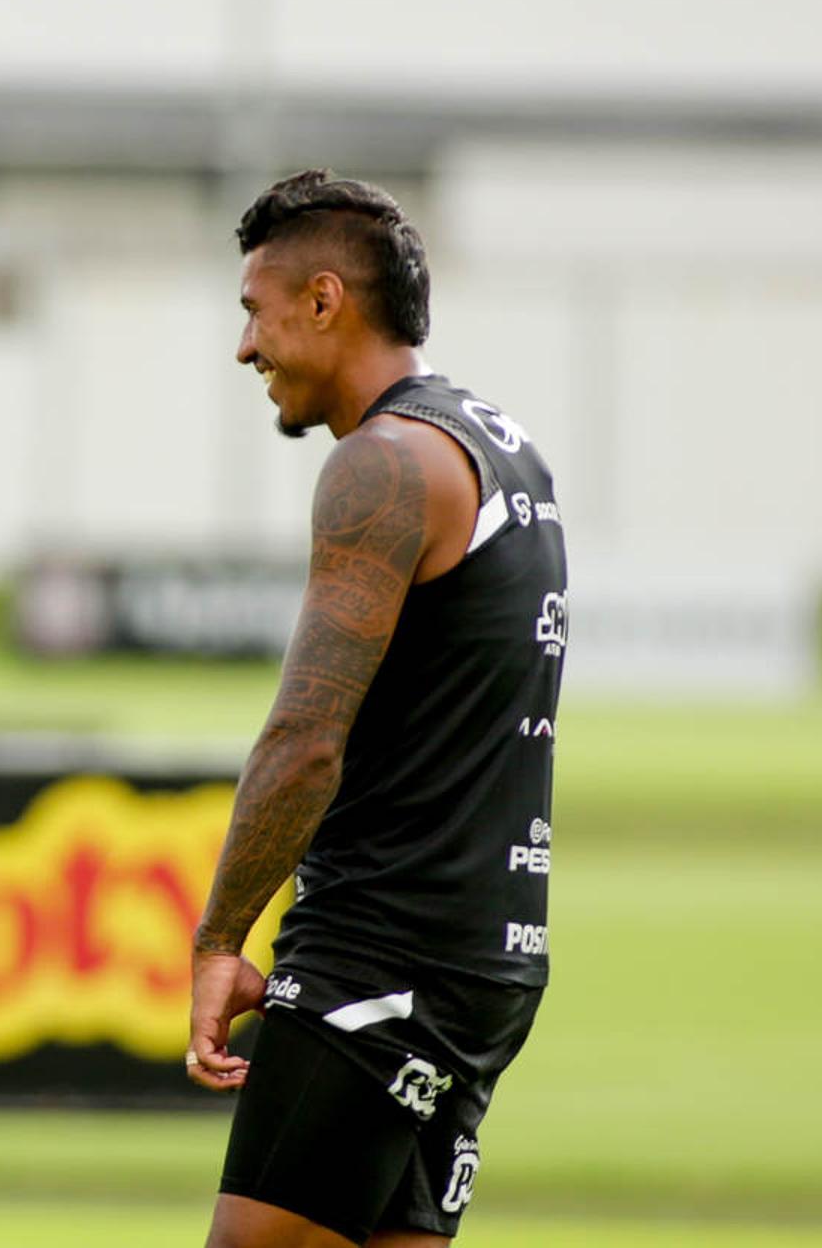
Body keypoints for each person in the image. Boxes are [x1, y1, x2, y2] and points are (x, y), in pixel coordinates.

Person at [186, 170, 567, 1248]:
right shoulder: (502, 447)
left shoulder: (384, 464)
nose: (246, 348)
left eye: (254, 312)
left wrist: (221, 937)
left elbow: (306, 741)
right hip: (486, 959)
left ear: (323, 301)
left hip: (379, 962)